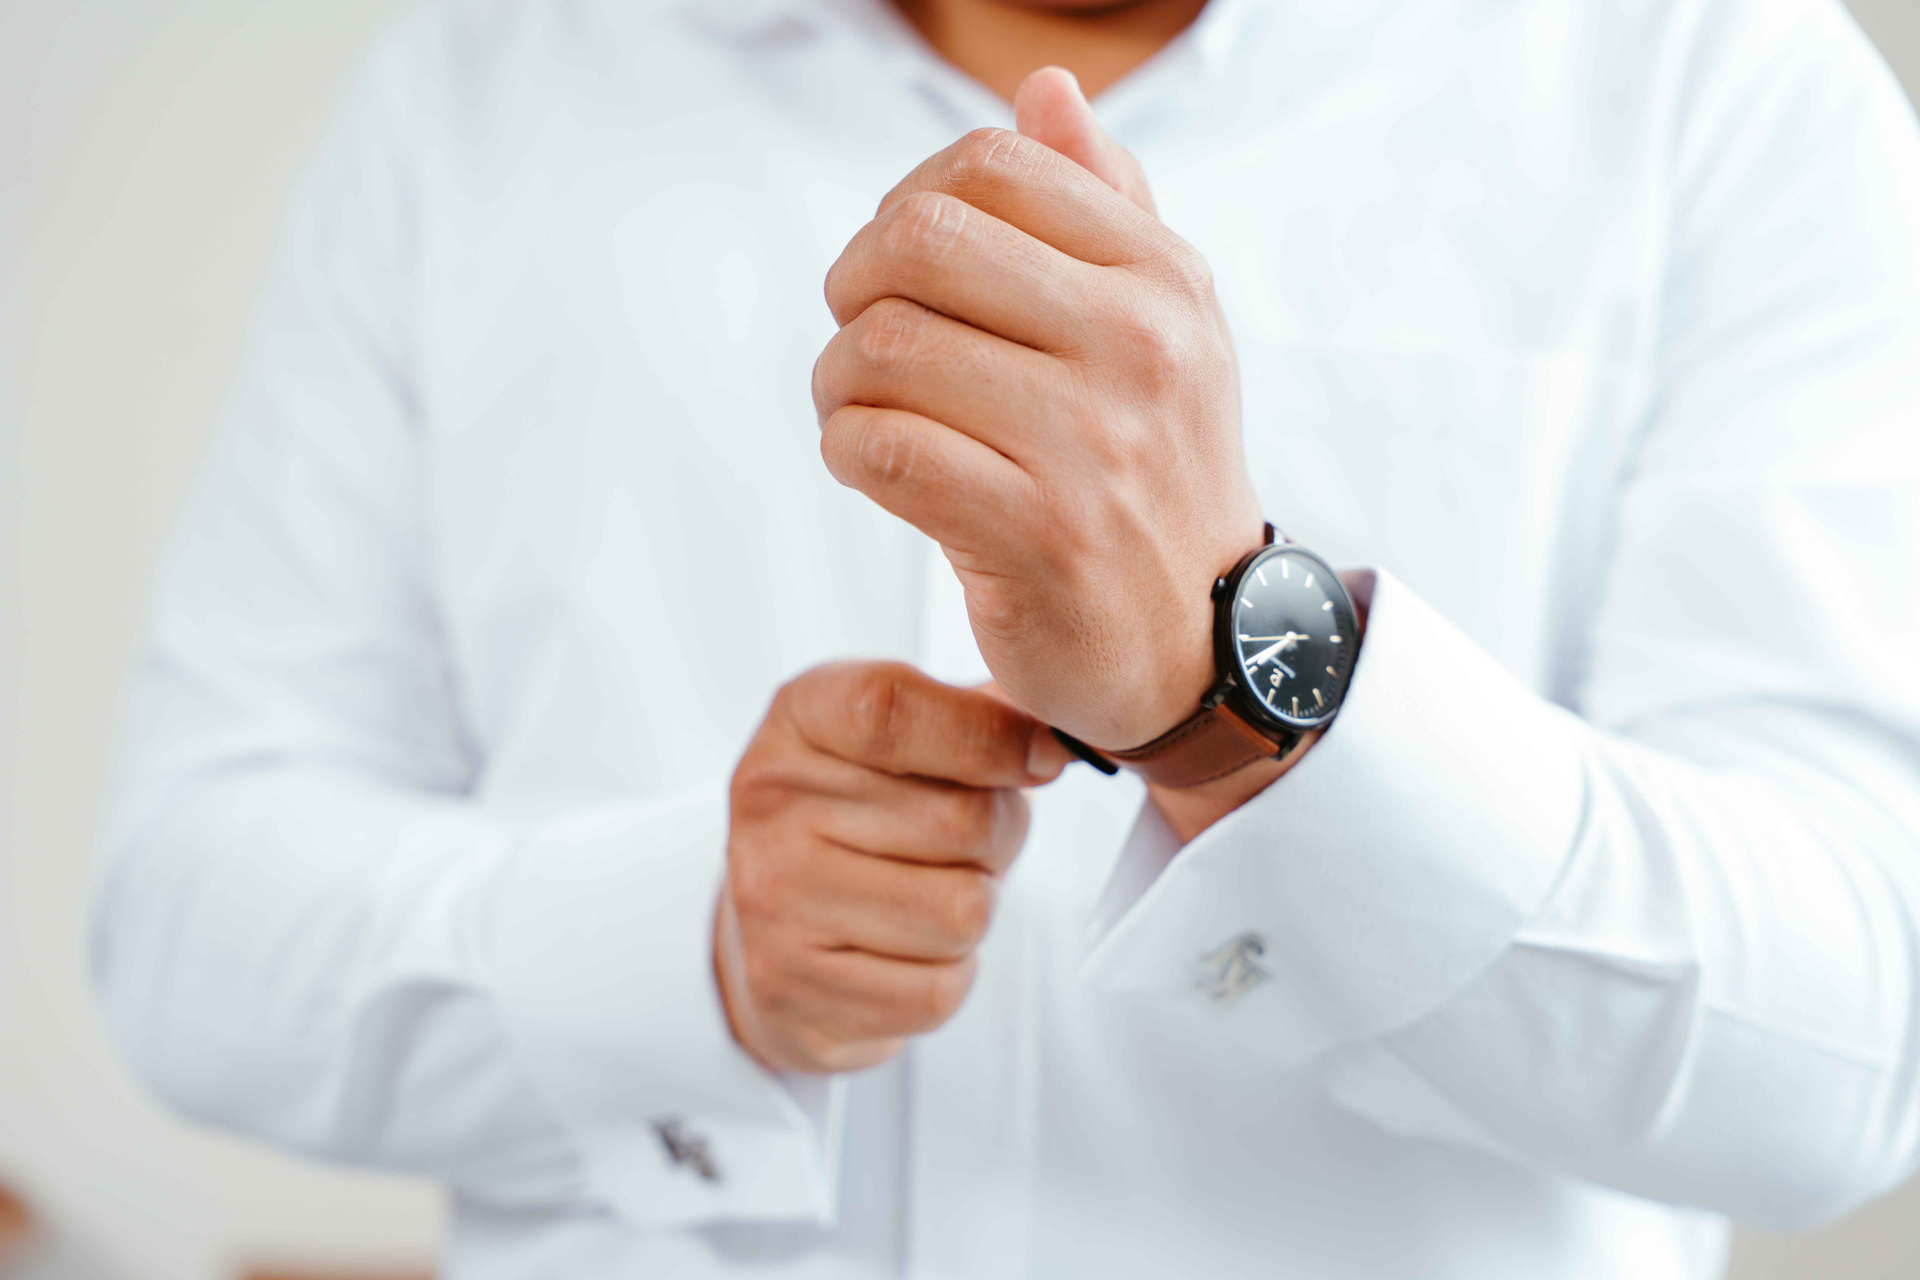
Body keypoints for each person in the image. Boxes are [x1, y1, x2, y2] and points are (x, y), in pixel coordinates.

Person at [91, 0, 1920, 1275]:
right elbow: (182, 919)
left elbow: (1852, 1050)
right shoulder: (475, 96)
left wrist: (1236, 704)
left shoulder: (1717, 85)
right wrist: (689, 948)